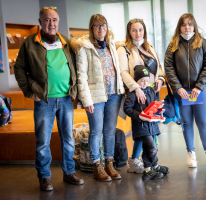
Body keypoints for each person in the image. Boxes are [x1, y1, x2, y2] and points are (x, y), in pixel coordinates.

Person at [14, 6, 83, 191]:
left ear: (58, 22)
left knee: (68, 139)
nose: (51, 23)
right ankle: (44, 177)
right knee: (43, 140)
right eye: (47, 20)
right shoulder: (30, 43)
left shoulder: (66, 42)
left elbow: (76, 67)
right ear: (40, 22)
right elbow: (19, 69)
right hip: (44, 101)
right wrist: (29, 90)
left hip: (66, 99)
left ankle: (69, 173)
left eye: (54, 20)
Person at [70, 14, 125, 182]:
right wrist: (86, 100)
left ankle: (109, 162)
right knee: (96, 132)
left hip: (114, 94)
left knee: (109, 130)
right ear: (91, 29)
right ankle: (97, 165)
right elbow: (82, 76)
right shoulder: (84, 48)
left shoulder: (111, 45)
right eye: (97, 26)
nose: (101, 28)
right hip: (95, 97)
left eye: (104, 25)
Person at [164, 13, 206, 168]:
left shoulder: (203, 43)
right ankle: (191, 153)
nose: (187, 27)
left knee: (203, 122)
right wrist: (178, 88)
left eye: (190, 24)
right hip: (182, 92)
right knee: (187, 123)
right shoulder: (173, 45)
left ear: (194, 26)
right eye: (184, 24)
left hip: (199, 91)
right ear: (179, 27)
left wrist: (199, 86)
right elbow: (169, 68)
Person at [116, 18, 165, 173]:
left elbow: (159, 68)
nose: (138, 33)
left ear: (144, 31)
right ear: (129, 32)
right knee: (140, 126)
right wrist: (136, 88)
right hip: (137, 92)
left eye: (140, 30)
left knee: (149, 127)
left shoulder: (149, 47)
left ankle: (144, 161)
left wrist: (161, 79)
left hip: (152, 92)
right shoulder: (123, 49)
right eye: (134, 30)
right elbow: (123, 72)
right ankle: (137, 161)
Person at [124, 65, 169, 180]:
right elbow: (127, 109)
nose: (144, 83)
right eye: (142, 81)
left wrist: (159, 110)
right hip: (141, 125)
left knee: (147, 147)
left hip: (151, 124)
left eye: (147, 81)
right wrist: (139, 116)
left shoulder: (150, 90)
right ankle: (155, 165)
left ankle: (148, 170)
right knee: (152, 147)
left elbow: (154, 104)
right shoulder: (132, 94)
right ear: (136, 81)